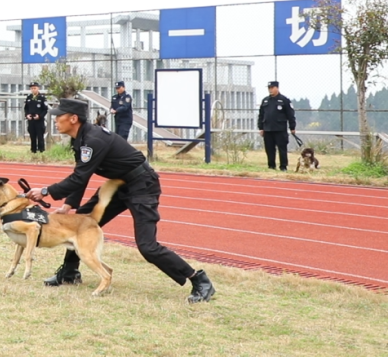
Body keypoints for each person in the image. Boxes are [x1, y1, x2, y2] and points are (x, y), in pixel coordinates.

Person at [27, 98, 215, 303]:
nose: (55, 120)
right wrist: (68, 205)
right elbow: (81, 175)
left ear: (73, 119)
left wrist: (45, 191)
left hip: (142, 185)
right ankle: (70, 273)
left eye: (59, 116)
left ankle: (199, 280)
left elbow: (79, 178)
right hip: (118, 184)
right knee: (80, 222)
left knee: (147, 246)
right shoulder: (81, 138)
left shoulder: (93, 140)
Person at [258, 81, 296, 171]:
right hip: (268, 129)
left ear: (277, 88)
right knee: (269, 149)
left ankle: (283, 166)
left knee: (282, 149)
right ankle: (271, 166)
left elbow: (290, 114)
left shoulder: (284, 100)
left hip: (280, 129)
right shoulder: (265, 100)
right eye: (269, 88)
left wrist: (292, 127)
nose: (270, 90)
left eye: (272, 88)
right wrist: (261, 127)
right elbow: (261, 115)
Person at [23, 82, 48, 153]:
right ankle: (33, 150)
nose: (33, 90)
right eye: (32, 88)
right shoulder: (29, 97)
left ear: (38, 88)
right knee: (32, 136)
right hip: (31, 120)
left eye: (35, 88)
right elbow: (26, 108)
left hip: (39, 121)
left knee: (40, 136)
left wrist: (39, 116)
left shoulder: (42, 98)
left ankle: (41, 150)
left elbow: (45, 109)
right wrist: (27, 115)